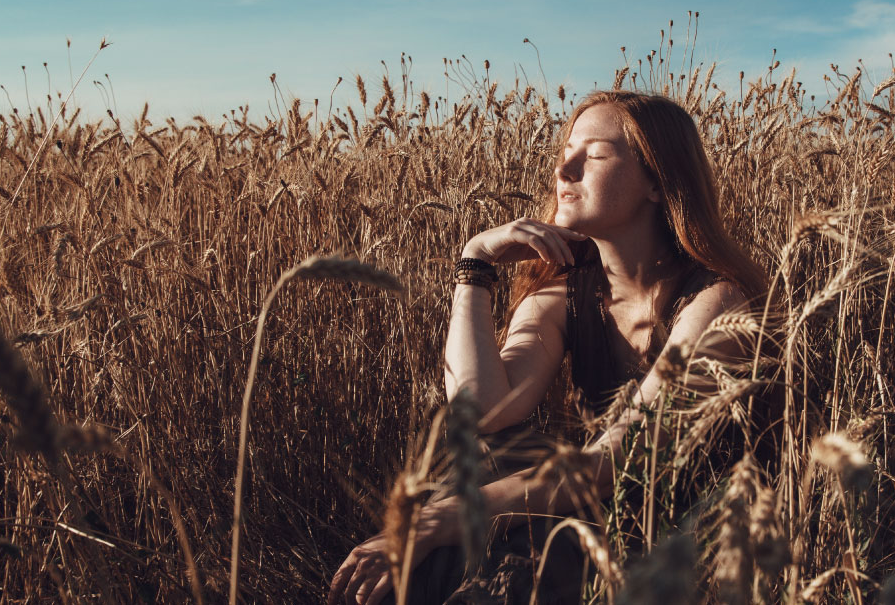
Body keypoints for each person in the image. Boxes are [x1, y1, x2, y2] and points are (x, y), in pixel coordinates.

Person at [329, 91, 767, 604]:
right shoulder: (567, 292)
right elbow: (485, 415)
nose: (565, 169)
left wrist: (443, 518)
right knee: (494, 454)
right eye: (566, 152)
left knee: (503, 513)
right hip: (595, 511)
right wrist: (474, 265)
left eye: (595, 154)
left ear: (657, 180)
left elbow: (617, 464)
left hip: (686, 526)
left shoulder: (714, 301)